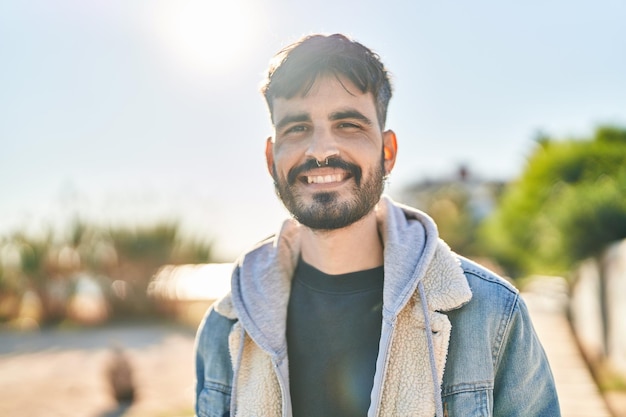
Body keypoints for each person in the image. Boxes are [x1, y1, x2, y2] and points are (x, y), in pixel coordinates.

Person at [194, 33, 560, 417]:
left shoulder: (492, 315)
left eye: (348, 124)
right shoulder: (227, 330)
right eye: (297, 128)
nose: (321, 150)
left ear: (387, 152)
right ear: (272, 157)